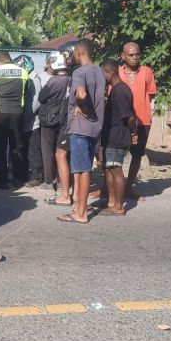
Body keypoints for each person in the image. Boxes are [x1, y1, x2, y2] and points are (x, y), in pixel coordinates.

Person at [57, 39, 105, 224]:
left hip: (80, 126)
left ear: (78, 52)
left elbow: (82, 94)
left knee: (82, 169)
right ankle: (79, 206)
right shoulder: (99, 71)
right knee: (83, 168)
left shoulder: (79, 72)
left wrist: (80, 105)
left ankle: (81, 213)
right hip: (95, 127)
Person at [0, 50, 30, 189]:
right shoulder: (23, 72)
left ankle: (2, 180)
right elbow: (25, 92)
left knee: (0, 148)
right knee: (17, 147)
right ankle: (18, 180)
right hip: (17, 113)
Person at [118, 42, 156, 201]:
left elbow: (151, 94)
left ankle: (128, 189)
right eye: (131, 55)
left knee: (137, 154)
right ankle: (110, 188)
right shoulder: (117, 72)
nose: (135, 57)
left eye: (137, 54)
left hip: (142, 121)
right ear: (123, 56)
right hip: (121, 120)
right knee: (115, 154)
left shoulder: (147, 71)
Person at [100, 59, 136, 216]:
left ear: (109, 72)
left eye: (103, 73)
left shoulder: (121, 90)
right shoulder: (115, 89)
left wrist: (133, 132)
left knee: (116, 170)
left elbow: (129, 117)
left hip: (117, 137)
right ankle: (113, 202)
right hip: (111, 136)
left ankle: (119, 207)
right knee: (109, 169)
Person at [50, 41, 78, 206]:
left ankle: (65, 195)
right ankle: (73, 194)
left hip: (70, 122)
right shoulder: (74, 72)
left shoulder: (77, 73)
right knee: (72, 158)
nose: (64, 58)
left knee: (60, 155)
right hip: (70, 121)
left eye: (66, 55)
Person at [38, 51, 69, 193]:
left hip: (50, 120)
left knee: (47, 150)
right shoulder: (72, 79)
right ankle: (64, 181)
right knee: (62, 152)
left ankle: (49, 181)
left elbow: (41, 98)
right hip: (65, 120)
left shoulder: (54, 81)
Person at [15, 55, 44, 187]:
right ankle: (25, 176)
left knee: (34, 151)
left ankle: (37, 177)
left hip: (33, 122)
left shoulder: (34, 80)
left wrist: (24, 117)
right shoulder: (27, 79)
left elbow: (35, 103)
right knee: (25, 150)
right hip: (27, 121)